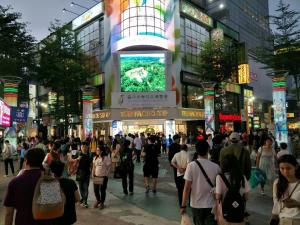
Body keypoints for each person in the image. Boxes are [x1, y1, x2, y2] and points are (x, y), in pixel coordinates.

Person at [180, 140, 221, 225]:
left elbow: (187, 188)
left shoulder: (191, 166)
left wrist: (183, 205)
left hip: (196, 204)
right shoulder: (216, 167)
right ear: (208, 150)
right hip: (211, 205)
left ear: (196, 150)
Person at [3, 148, 47, 225]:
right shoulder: (49, 180)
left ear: (26, 161)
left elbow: (9, 213)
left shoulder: (15, 183)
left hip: (23, 221)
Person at [215, 154, 250, 225]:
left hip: (226, 212)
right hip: (239, 212)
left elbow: (218, 197)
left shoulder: (220, 177)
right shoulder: (242, 177)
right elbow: (247, 196)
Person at [271, 155, 300, 225]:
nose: (285, 171)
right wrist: (273, 219)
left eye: (288, 168)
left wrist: (298, 204)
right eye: (282, 168)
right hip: (284, 220)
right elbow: (276, 204)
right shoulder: (277, 183)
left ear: (295, 167)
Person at [50, 160, 80, 225]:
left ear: (51, 171)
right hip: (69, 217)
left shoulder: (49, 184)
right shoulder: (71, 182)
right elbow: (78, 198)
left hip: (55, 218)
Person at [76, 141, 92, 208]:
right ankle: (83, 199)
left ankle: (85, 201)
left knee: (85, 187)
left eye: (85, 147)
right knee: (80, 188)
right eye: (82, 147)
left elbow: (91, 165)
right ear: (81, 147)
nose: (84, 148)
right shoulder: (78, 155)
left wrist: (92, 173)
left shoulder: (90, 155)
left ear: (87, 147)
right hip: (79, 173)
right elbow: (75, 163)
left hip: (87, 173)